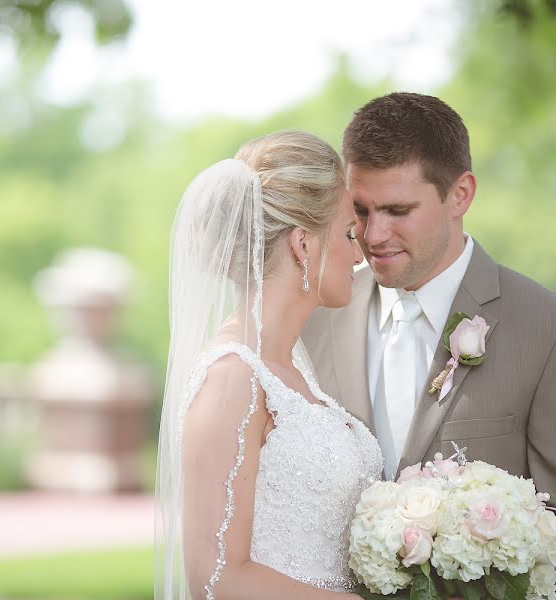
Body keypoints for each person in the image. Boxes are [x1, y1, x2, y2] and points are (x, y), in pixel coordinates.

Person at [301, 92, 556, 600]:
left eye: (398, 209)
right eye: (360, 210)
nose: (373, 234)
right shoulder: (314, 322)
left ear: (460, 195)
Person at [155, 131, 382, 600]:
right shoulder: (231, 377)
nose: (359, 255)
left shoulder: (295, 370)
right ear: (303, 244)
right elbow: (216, 577)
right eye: (347, 234)